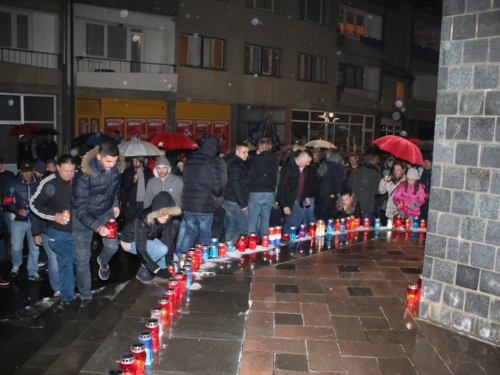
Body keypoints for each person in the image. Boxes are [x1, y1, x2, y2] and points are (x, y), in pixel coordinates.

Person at [72, 142, 124, 307]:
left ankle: (102, 260)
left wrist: (116, 204)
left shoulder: (116, 170)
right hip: (83, 218)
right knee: (82, 259)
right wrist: (97, 226)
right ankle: (85, 295)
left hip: (106, 212)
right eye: (109, 161)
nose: (112, 165)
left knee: (113, 247)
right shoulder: (84, 175)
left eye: (115, 161)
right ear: (99, 157)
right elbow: (79, 208)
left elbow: (115, 190)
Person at [30, 155, 76, 304]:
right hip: (58, 231)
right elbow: (34, 204)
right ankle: (66, 296)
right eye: (66, 171)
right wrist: (53, 216)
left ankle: (73, 291)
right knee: (64, 262)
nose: (69, 174)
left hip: (77, 230)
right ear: (58, 168)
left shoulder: (78, 180)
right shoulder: (49, 182)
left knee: (78, 261)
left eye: (72, 171)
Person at [120, 192, 181, 283]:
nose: (164, 218)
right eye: (161, 214)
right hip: (130, 241)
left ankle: (152, 264)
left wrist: (169, 264)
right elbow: (141, 249)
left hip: (148, 239)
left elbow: (168, 240)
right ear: (156, 212)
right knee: (162, 249)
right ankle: (143, 270)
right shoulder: (143, 218)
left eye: (167, 215)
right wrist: (157, 270)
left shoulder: (167, 218)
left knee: (174, 260)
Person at [178, 136, 223, 252]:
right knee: (205, 235)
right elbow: (217, 189)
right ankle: (202, 262)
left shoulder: (189, 161)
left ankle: (179, 259)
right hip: (204, 206)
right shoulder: (211, 162)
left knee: (190, 232)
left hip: (187, 204)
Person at [3, 161, 42, 280]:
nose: (26, 173)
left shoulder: (39, 184)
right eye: (24, 171)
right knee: (16, 247)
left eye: (29, 170)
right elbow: (6, 201)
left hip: (35, 220)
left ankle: (33, 271)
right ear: (20, 171)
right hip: (18, 220)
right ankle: (16, 265)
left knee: (35, 247)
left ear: (33, 170)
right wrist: (17, 210)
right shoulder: (13, 183)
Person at [247, 138, 280, 236]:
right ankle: (264, 242)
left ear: (259, 148)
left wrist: (257, 154)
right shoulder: (276, 158)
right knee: (265, 220)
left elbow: (248, 166)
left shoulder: (254, 159)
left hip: (256, 192)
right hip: (269, 193)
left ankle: (252, 242)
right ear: (270, 147)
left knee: (252, 221)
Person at [277, 151, 312, 234]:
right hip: (289, 199)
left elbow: (303, 184)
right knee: (299, 215)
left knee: (289, 220)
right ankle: (289, 235)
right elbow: (282, 187)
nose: (308, 164)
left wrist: (306, 196)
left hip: (297, 198)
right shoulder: (289, 167)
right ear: (302, 158)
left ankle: (286, 237)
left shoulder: (304, 169)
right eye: (308, 161)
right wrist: (285, 205)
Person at [223, 143, 250, 243]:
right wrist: (242, 203)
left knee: (231, 228)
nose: (247, 154)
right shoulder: (236, 166)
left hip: (228, 200)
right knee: (243, 229)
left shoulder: (230, 162)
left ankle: (226, 250)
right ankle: (230, 247)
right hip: (236, 202)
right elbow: (236, 186)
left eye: (247, 152)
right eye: (244, 152)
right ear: (237, 152)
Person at [347, 155, 380, 225]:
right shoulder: (376, 173)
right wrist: (370, 194)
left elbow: (349, 183)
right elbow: (378, 190)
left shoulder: (357, 170)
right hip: (368, 203)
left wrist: (356, 190)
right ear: (373, 162)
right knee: (366, 225)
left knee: (355, 224)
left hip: (356, 201)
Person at [317, 148, 345, 220]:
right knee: (334, 213)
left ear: (329, 154)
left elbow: (318, 176)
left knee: (324, 214)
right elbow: (344, 178)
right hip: (337, 192)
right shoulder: (341, 165)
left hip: (326, 192)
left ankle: (323, 228)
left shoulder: (326, 164)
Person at [122, 157, 154, 222]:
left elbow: (151, 186)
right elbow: (125, 187)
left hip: (145, 202)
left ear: (141, 161)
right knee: (131, 222)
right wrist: (133, 180)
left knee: (143, 222)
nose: (134, 162)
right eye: (133, 160)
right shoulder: (129, 171)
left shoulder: (148, 171)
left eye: (136, 160)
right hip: (132, 203)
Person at [0, 157, 15, 262]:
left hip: (8, 208)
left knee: (11, 231)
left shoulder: (9, 175)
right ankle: (2, 253)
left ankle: (10, 252)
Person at [419, 155, 433, 221]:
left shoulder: (434, 174)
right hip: (422, 201)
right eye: (425, 162)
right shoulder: (424, 172)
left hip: (430, 202)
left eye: (428, 162)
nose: (426, 164)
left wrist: (429, 195)